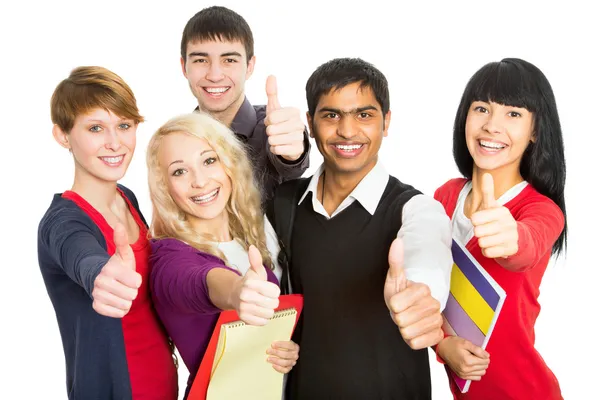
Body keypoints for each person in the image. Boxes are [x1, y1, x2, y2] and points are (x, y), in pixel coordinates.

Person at [268, 57, 453, 399]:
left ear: (387, 122)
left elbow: (426, 256)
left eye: (364, 115)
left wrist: (420, 296)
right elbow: (252, 287)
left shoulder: (416, 210)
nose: (348, 131)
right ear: (311, 123)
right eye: (331, 115)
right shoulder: (281, 204)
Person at [37, 66, 178, 399]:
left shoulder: (126, 198)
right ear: (62, 135)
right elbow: (82, 255)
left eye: (124, 126)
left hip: (162, 383)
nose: (115, 143)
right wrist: (98, 274)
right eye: (96, 128)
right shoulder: (62, 221)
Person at [434, 58, 567, 400]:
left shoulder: (541, 210)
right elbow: (427, 292)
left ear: (535, 130)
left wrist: (511, 240)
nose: (492, 125)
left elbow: (528, 245)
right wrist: (442, 345)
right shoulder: (445, 196)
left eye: (513, 114)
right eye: (481, 108)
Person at [146, 112, 300, 399]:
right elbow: (198, 282)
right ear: (165, 187)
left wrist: (283, 352)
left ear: (230, 163)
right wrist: (236, 292)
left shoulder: (251, 238)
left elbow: (257, 347)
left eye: (209, 160)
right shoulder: (168, 256)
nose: (200, 181)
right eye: (179, 171)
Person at [179, 6, 311, 207]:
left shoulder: (273, 128)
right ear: (184, 67)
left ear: (249, 66)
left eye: (229, 60)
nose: (214, 75)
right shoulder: (176, 141)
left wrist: (294, 153)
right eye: (201, 60)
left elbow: (292, 161)